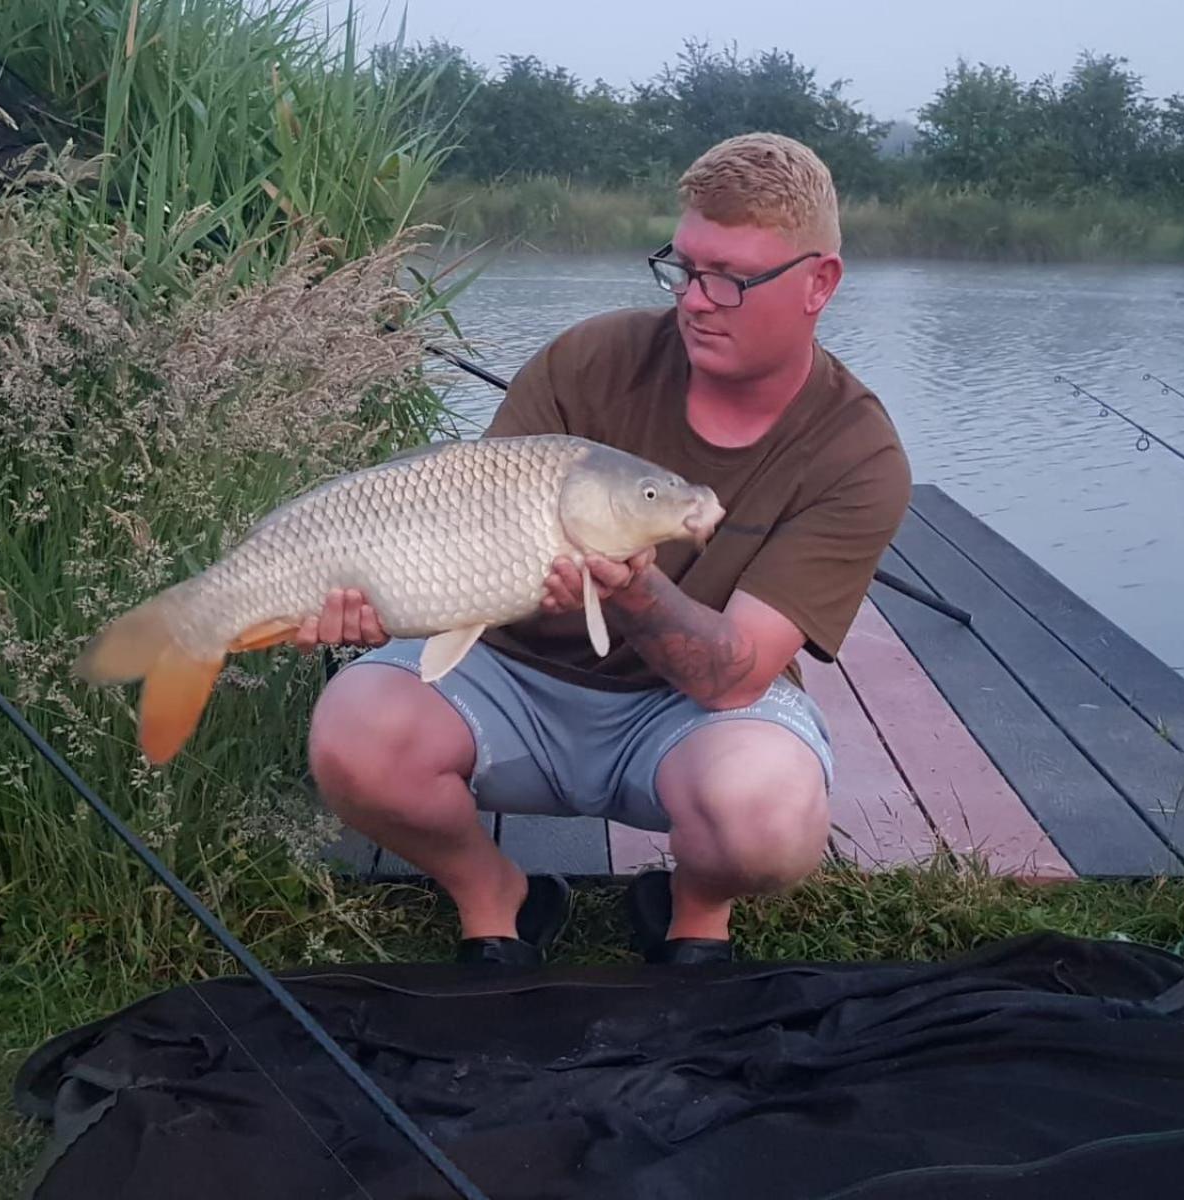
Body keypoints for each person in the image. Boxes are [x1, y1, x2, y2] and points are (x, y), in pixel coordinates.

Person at [300, 132, 913, 966]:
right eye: (684, 267)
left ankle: (692, 912)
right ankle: (495, 894)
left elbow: (733, 677)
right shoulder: (590, 360)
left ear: (819, 284)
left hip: (692, 714)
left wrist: (631, 587)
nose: (695, 300)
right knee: (354, 734)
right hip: (509, 672)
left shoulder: (858, 454)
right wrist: (380, 599)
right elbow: (460, 548)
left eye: (730, 279)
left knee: (769, 819)